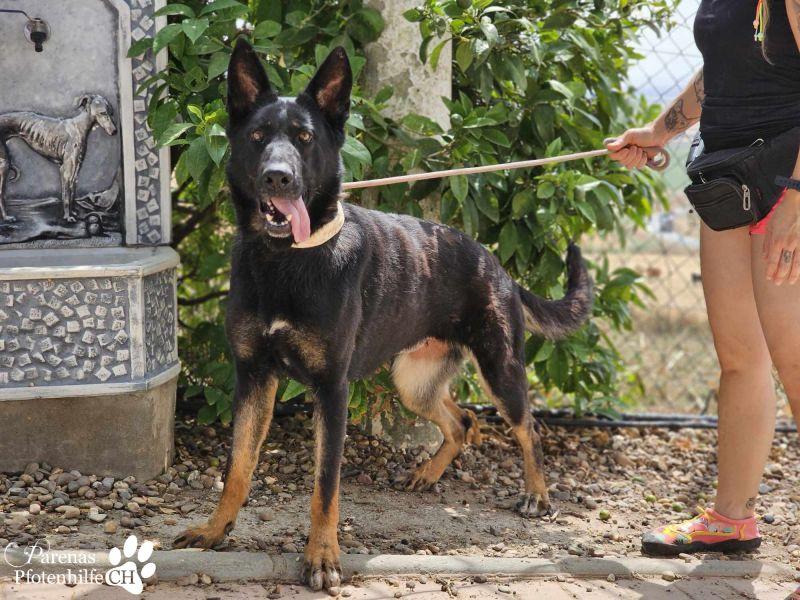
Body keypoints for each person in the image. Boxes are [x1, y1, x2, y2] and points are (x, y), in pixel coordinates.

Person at [607, 0, 800, 568]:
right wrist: (658, 131)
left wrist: (795, 198)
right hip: (729, 175)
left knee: (797, 364)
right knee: (739, 358)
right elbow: (724, 65)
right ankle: (730, 520)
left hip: (787, 183)